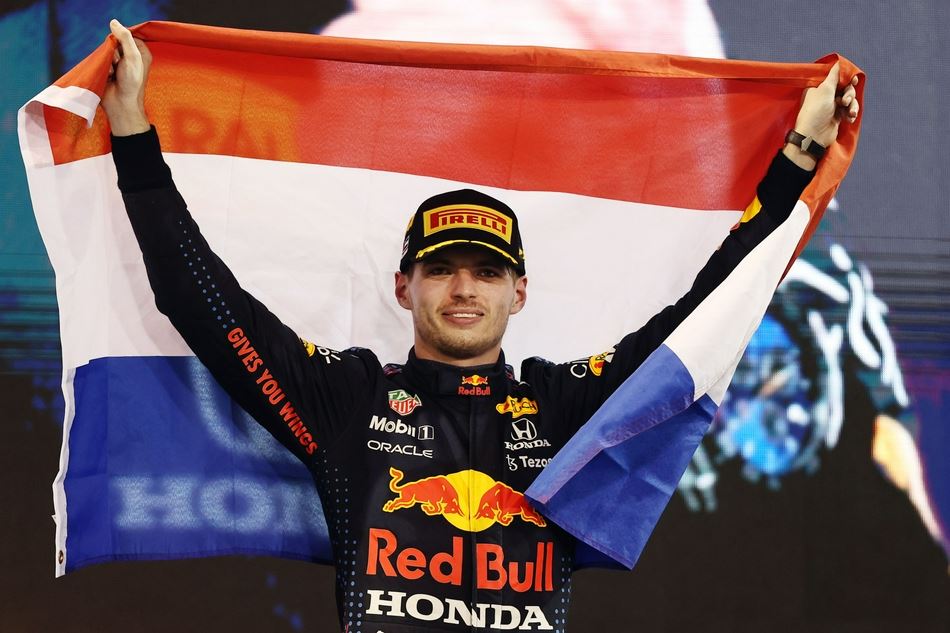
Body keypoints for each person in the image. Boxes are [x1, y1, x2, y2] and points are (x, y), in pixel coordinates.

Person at [102, 18, 859, 633]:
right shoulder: (348, 399)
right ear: (404, 287)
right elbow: (201, 300)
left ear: (518, 293)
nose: (464, 289)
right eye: (442, 269)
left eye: (488, 273)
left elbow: (707, 312)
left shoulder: (562, 406)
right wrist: (132, 131)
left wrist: (797, 157)